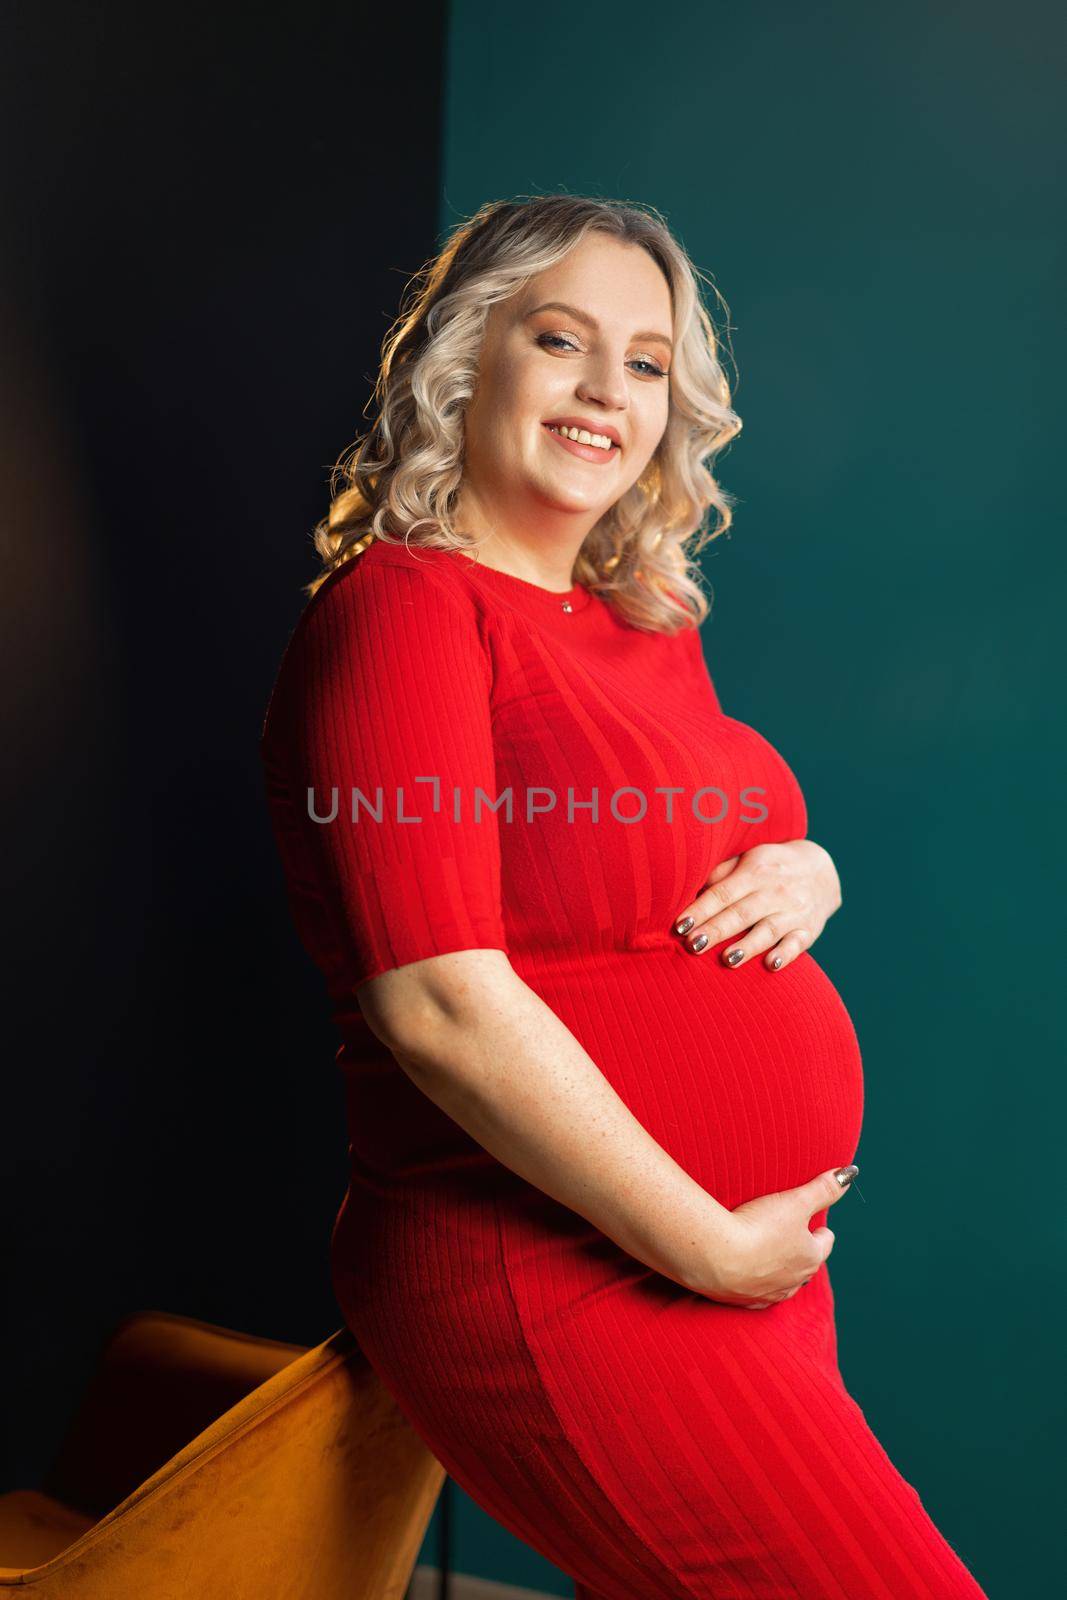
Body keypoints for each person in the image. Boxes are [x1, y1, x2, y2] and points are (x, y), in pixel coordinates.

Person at [260, 196, 988, 1598]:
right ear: (468, 362)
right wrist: (706, 1246)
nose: (609, 390)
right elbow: (438, 1002)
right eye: (560, 339)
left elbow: (666, 851)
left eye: (647, 361)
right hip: (555, 1265)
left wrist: (810, 869)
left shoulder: (642, 620)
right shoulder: (406, 610)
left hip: (732, 1268)